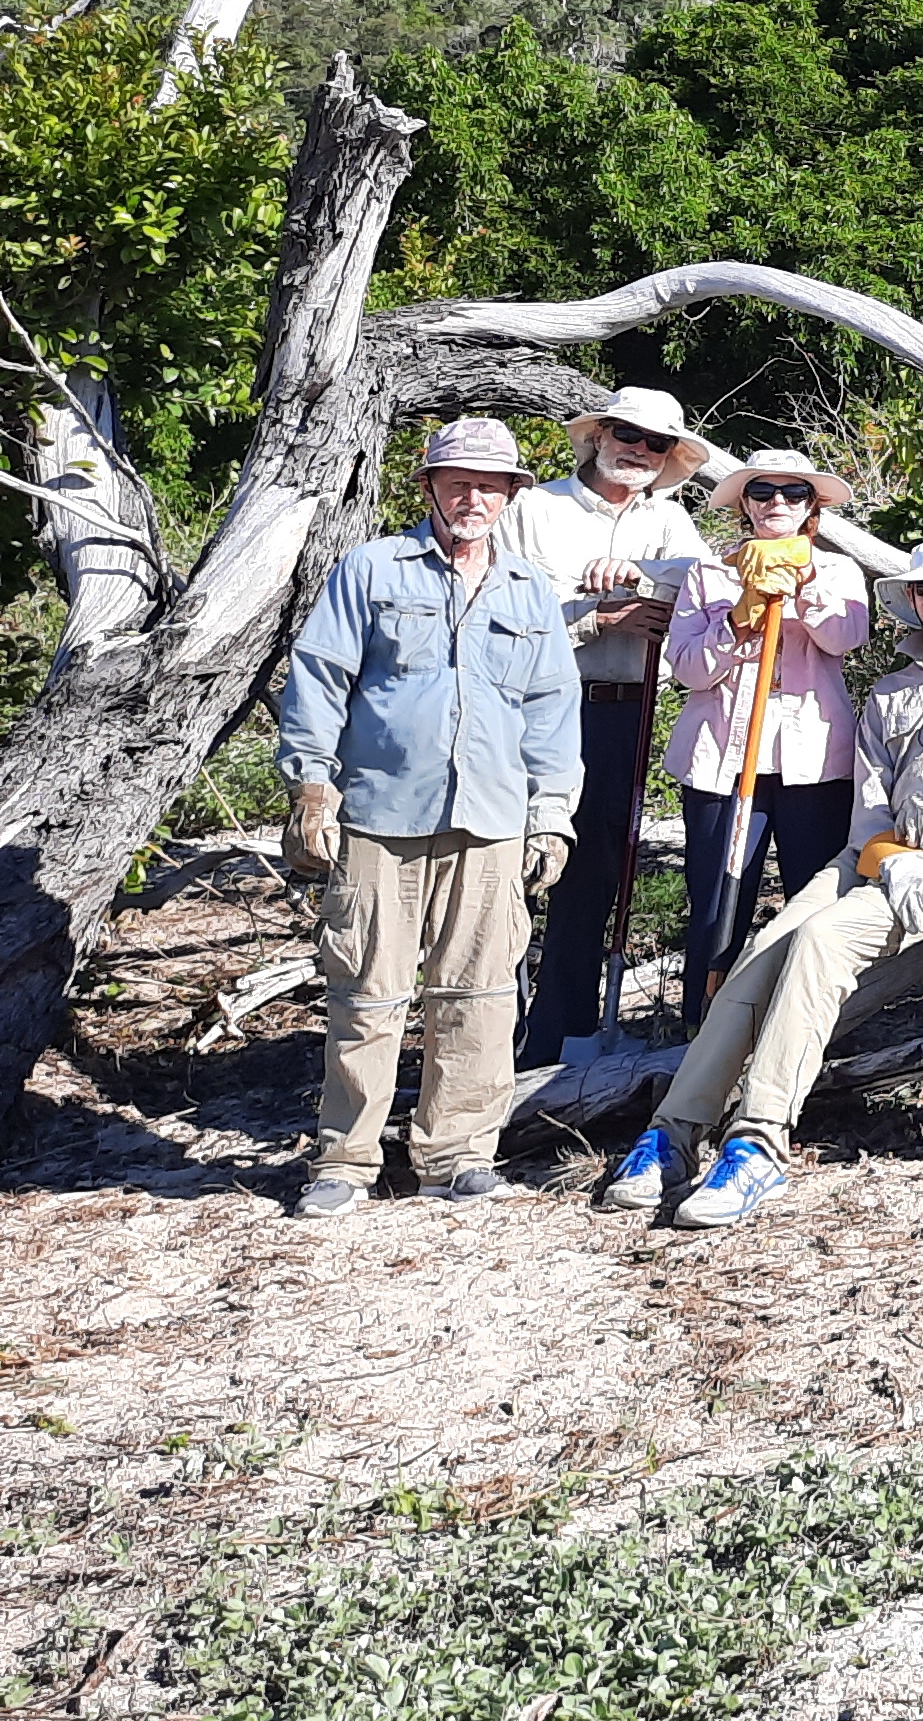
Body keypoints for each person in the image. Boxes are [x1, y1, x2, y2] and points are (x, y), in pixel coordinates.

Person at [606, 536, 923, 1229]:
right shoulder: (888, 693)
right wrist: (891, 857)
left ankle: (759, 1139)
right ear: (911, 601)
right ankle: (674, 1132)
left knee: (823, 942)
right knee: (763, 950)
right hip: (888, 854)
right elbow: (870, 809)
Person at [271, 417, 582, 1218]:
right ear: (429, 488)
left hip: (492, 819)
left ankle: (456, 1156)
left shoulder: (528, 592)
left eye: (489, 484)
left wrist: (551, 815)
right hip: (378, 814)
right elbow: (320, 676)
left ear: (511, 494)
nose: (471, 497)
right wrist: (312, 784)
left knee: (479, 995)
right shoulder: (371, 569)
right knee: (368, 994)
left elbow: (551, 710)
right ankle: (343, 1161)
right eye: (456, 482)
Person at [497, 386, 712, 1063]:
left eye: (656, 443)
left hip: (621, 714)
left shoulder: (670, 524)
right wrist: (593, 619)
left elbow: (706, 583)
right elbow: (499, 616)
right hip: (529, 714)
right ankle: (492, 1035)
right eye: (627, 433)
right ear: (598, 435)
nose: (638, 450)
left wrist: (643, 577)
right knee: (509, 868)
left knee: (591, 873)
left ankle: (562, 1037)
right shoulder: (533, 509)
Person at [659, 450, 874, 1020]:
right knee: (717, 902)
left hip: (814, 764)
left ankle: (809, 1022)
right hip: (722, 764)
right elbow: (687, 668)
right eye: (763, 492)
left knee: (815, 897)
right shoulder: (709, 575)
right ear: (745, 506)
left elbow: (844, 637)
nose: (777, 502)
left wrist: (799, 583)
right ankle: (704, 1029)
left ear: (812, 508)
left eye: (793, 493)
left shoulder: (837, 571)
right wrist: (738, 616)